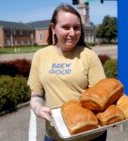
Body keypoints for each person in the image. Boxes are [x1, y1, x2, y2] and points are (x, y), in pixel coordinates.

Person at [27, 3, 107, 141]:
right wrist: (37, 108)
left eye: (76, 28)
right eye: (66, 27)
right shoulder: (40, 56)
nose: (72, 33)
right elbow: (36, 95)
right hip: (56, 134)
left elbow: (102, 96)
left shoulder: (88, 55)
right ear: (53, 28)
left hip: (90, 134)